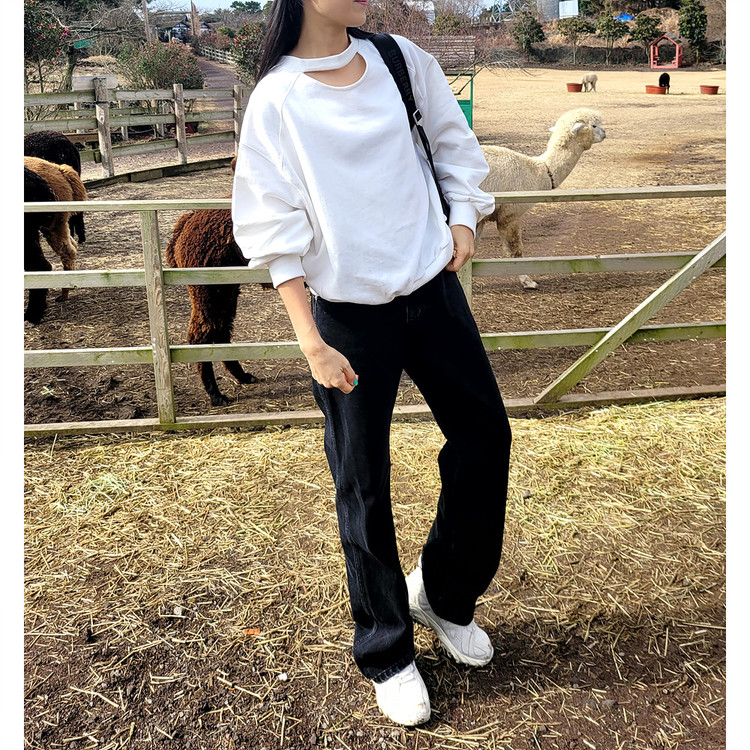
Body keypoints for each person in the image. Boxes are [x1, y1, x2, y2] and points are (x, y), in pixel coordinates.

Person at [232, 0, 512, 727]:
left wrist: (462, 219)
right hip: (348, 318)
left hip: (433, 292)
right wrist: (310, 340)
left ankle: (442, 595)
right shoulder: (277, 99)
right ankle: (386, 648)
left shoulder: (399, 60)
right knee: (362, 478)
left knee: (486, 438)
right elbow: (271, 221)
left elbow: (452, 142)